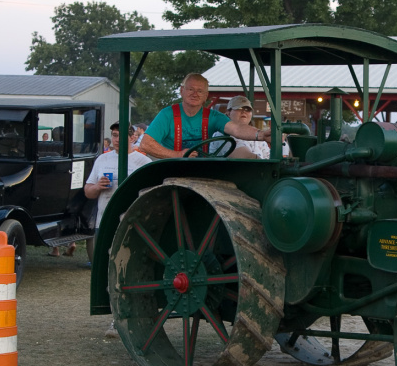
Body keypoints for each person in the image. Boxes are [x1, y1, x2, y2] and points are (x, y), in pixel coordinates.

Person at [84, 122, 151, 337]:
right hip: (105, 222)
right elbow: (88, 191)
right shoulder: (102, 160)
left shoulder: (143, 162)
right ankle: (116, 318)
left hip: (133, 222)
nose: (117, 140)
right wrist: (98, 186)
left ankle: (129, 318)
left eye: (122, 136)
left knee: (127, 270)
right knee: (108, 271)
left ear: (133, 138)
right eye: (114, 135)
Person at [139, 73, 271, 159]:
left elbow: (236, 129)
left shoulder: (213, 117)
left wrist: (261, 135)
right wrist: (178, 155)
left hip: (201, 169)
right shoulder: (167, 115)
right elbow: (146, 144)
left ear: (206, 96)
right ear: (182, 91)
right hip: (170, 168)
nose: (195, 94)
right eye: (191, 89)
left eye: (200, 91)